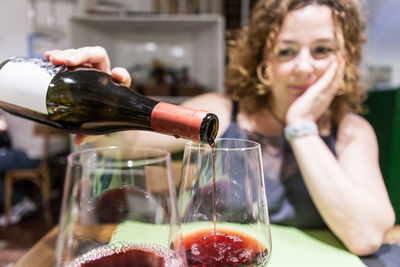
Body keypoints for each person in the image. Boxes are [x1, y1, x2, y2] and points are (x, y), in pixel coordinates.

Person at [45, 0, 396, 260]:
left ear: (345, 58)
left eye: (322, 50)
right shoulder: (220, 112)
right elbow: (124, 140)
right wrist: (99, 95)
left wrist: (301, 125)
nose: (304, 67)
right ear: (264, 62)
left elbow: (365, 236)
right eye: (286, 51)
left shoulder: (351, 131)